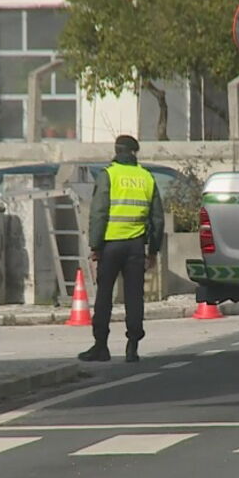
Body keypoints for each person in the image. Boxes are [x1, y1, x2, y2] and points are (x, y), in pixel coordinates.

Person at [78, 135, 164, 363]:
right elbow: (157, 218)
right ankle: (132, 346)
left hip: (110, 246)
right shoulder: (146, 177)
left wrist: (95, 246)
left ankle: (101, 346)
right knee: (134, 296)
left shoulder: (108, 175)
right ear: (135, 153)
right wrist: (153, 250)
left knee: (104, 295)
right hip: (136, 246)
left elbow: (99, 213)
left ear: (116, 151)